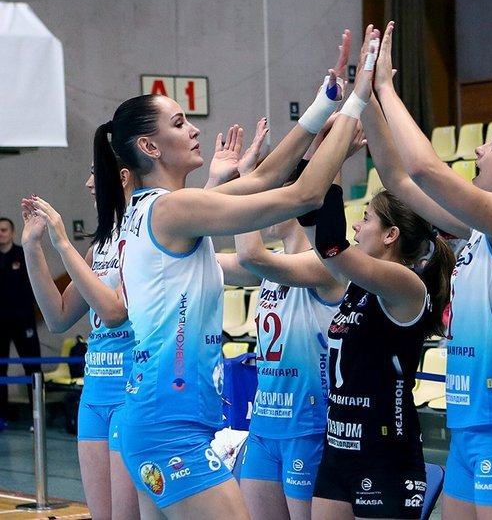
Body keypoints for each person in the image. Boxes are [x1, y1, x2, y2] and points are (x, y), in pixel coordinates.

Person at [92, 30, 373, 518]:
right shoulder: (174, 210)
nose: (194, 129)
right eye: (179, 123)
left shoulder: (156, 207)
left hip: (158, 418)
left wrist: (323, 104)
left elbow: (262, 178)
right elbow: (303, 195)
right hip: (168, 425)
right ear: (150, 146)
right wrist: (357, 102)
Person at [367, 21, 492, 519]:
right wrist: (364, 95)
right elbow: (398, 180)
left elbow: (425, 169)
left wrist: (388, 87)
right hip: (467, 432)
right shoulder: (478, 231)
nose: (479, 150)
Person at [296, 26, 455, 520]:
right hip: (338, 445)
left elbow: (329, 242)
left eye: (366, 218)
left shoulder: (405, 284)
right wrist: (330, 148)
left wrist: (358, 103)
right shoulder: (357, 283)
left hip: (384, 451)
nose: (357, 224)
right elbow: (309, 213)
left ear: (391, 236)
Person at [219, 124, 355, 520]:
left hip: (310, 426)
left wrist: (249, 180)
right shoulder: (273, 264)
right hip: (264, 425)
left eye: (269, 196)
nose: (263, 207)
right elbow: (202, 259)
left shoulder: (325, 266)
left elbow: (251, 256)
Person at [20, 166, 140, 519]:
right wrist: (32, 247)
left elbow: (115, 312)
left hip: (132, 391)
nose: (89, 183)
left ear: (122, 176)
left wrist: (62, 241)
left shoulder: (146, 235)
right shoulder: (101, 244)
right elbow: (58, 317)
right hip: (94, 395)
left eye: (94, 172)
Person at [0, 216, 42, 431]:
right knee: (1, 368)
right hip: (1, 322)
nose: (1, 234)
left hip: (23, 320)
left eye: (4, 230)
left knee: (32, 366)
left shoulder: (22, 255)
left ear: (12, 232)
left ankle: (37, 417)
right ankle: (1, 416)